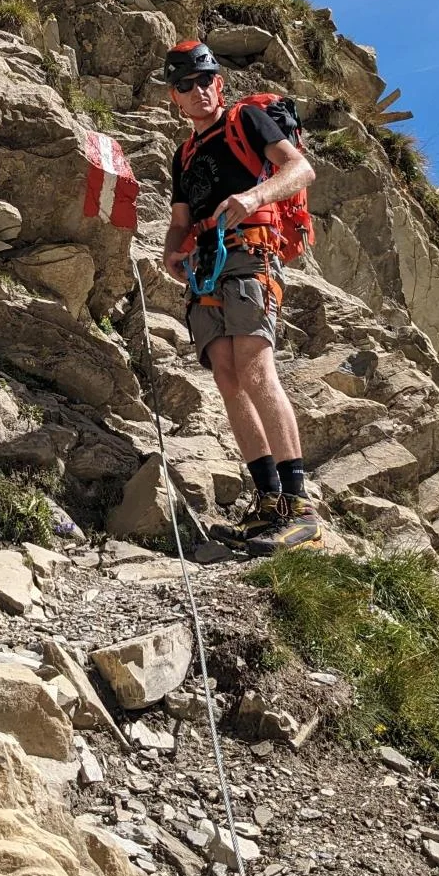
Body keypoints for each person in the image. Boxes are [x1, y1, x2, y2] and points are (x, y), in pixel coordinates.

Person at [161, 41, 321, 553]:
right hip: (206, 265)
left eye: (205, 79)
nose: (199, 90)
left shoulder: (247, 121)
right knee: (228, 377)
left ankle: (300, 507)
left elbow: (299, 169)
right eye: (186, 84)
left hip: (250, 251)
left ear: (218, 83)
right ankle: (268, 502)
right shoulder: (182, 154)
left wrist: (253, 196)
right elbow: (180, 221)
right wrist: (171, 253)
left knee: (255, 367)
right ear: (175, 97)